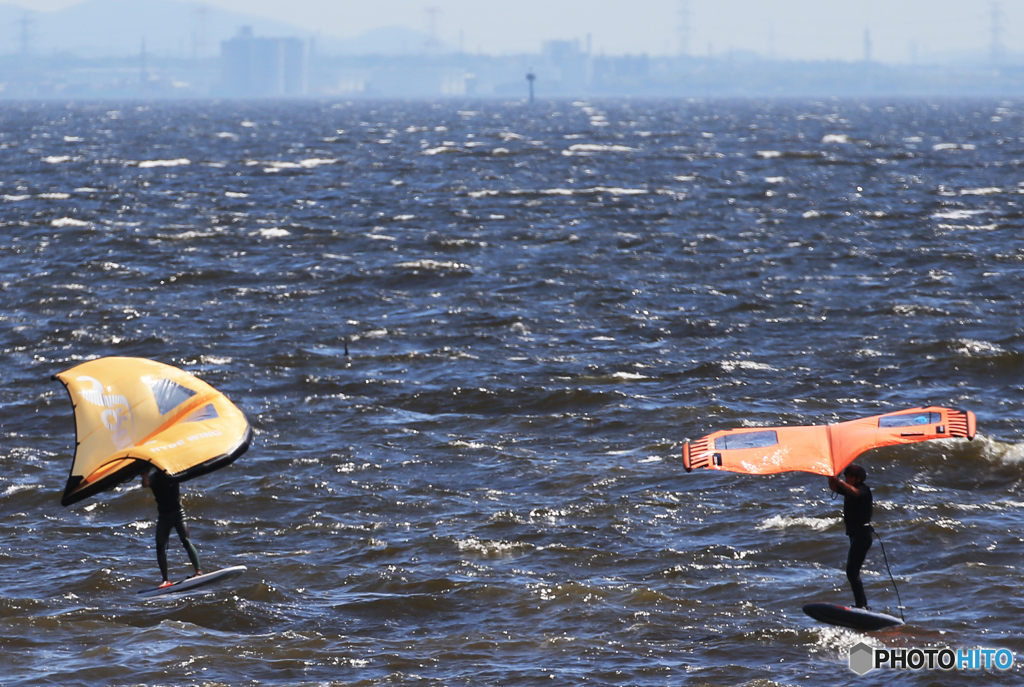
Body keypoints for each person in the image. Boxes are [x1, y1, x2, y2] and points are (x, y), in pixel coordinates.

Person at [142, 467, 202, 588]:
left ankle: (198, 572)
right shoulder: (153, 478)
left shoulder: (174, 474)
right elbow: (146, 484)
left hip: (178, 514)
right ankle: (165, 579)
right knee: (160, 546)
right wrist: (144, 476)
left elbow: (187, 472)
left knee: (185, 540)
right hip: (163, 517)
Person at [828, 463, 873, 609]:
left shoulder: (863, 489)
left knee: (852, 572)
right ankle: (862, 604)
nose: (847, 479)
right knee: (852, 572)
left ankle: (862, 605)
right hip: (855, 535)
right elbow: (833, 487)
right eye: (846, 477)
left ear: (858, 478)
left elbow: (855, 493)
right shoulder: (849, 490)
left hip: (863, 534)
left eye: (850, 477)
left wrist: (840, 482)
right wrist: (831, 474)